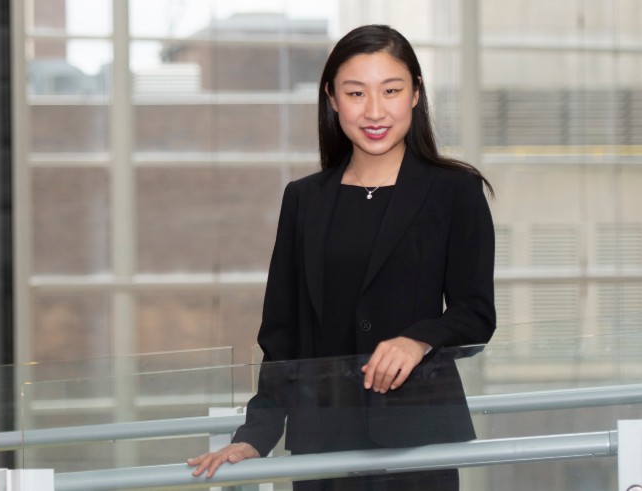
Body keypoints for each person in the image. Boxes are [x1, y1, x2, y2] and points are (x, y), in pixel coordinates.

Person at [187, 25, 496, 489]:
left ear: (415, 94)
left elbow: (476, 314)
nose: (374, 110)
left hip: (418, 441)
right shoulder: (304, 199)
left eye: (391, 90)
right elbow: (282, 336)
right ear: (332, 99)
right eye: (356, 93)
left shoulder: (455, 192)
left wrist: (417, 340)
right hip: (322, 445)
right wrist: (256, 435)